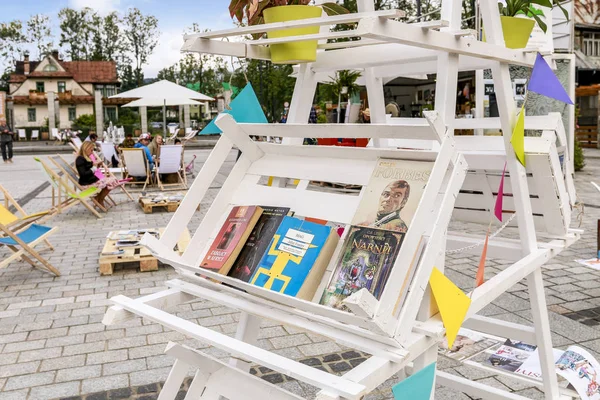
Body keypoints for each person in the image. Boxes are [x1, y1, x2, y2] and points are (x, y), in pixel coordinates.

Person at [76, 141, 120, 208]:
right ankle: (100, 200)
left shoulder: (85, 158)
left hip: (91, 181)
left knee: (113, 180)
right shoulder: (80, 159)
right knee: (111, 181)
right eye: (91, 150)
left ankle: (99, 198)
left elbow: (90, 170)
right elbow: (83, 174)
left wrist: (96, 166)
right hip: (87, 183)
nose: (92, 152)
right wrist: (93, 168)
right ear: (86, 148)